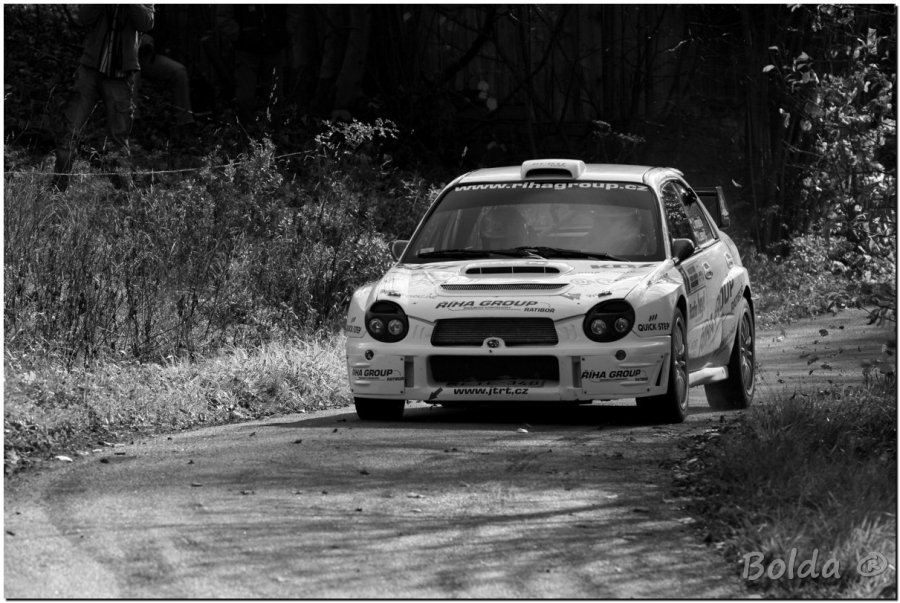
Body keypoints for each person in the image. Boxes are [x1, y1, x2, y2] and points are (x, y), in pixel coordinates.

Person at [53, 5, 155, 192]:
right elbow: (84, 18)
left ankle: (123, 196)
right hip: (90, 69)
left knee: (118, 139)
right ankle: (57, 191)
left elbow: (146, 23)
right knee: (70, 131)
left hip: (121, 74)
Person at [215, 5, 299, 129]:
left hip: (272, 47)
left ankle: (273, 130)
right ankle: (246, 131)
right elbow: (223, 17)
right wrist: (240, 35)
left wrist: (285, 32)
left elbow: (293, 9)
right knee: (245, 96)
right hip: (247, 50)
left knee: (275, 95)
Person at [134, 32, 195, 129]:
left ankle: (184, 121)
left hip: (146, 56)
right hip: (124, 58)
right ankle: (132, 120)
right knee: (133, 73)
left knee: (179, 71)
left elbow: (163, 31)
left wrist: (151, 38)